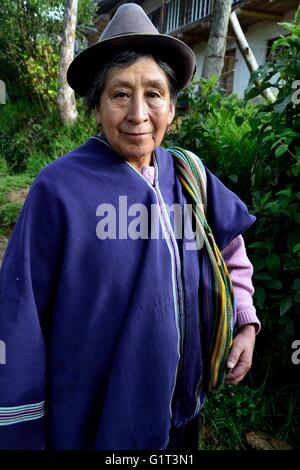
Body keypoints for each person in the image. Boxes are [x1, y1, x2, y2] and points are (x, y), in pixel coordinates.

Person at [0, 3, 260, 450]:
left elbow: (229, 248)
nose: (138, 112)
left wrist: (246, 323)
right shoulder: (59, 189)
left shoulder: (188, 174)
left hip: (181, 407)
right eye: (120, 94)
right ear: (96, 108)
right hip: (93, 413)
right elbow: (20, 314)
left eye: (154, 94)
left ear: (172, 108)